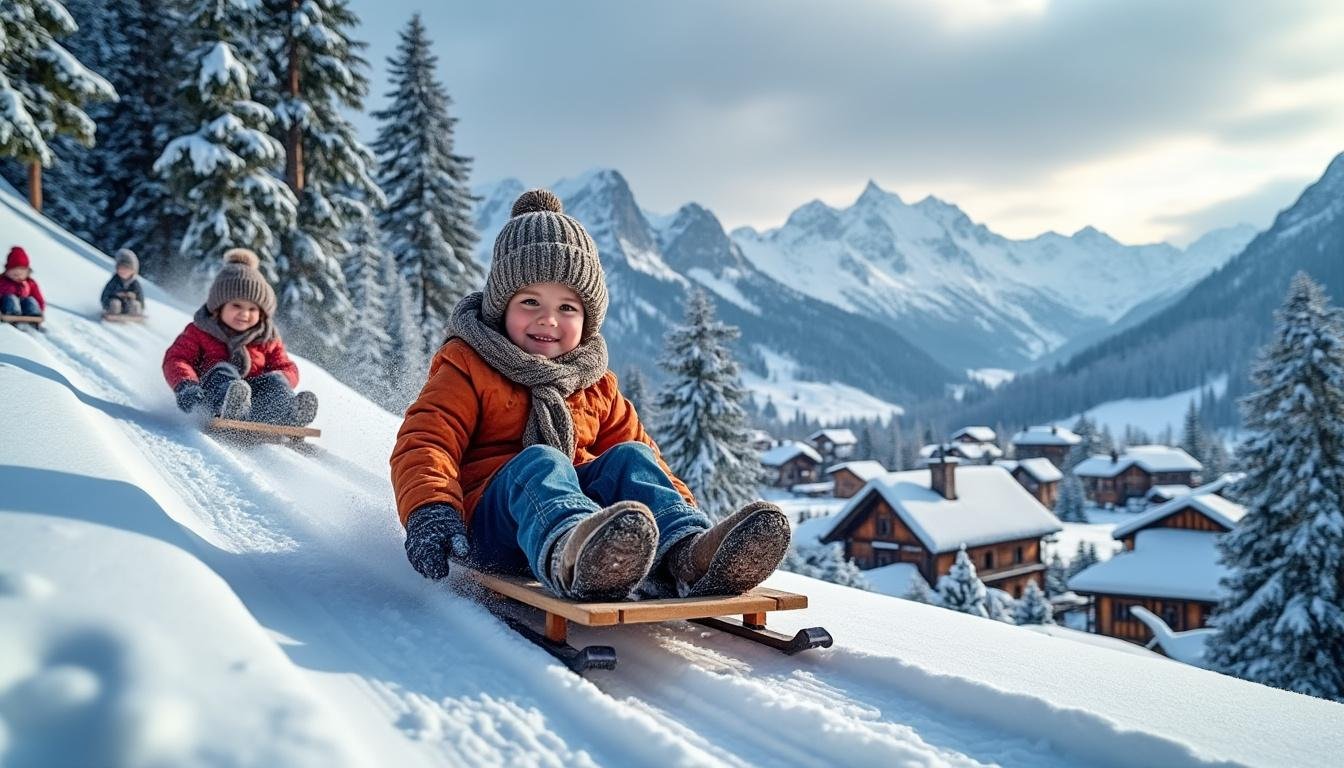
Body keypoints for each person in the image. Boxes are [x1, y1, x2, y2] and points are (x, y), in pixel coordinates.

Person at [391, 189, 789, 601]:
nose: (548, 319)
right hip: (491, 527)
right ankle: (575, 554)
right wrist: (431, 510)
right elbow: (426, 441)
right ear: (500, 306)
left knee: (630, 458)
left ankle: (685, 554)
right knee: (542, 463)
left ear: (588, 318)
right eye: (530, 301)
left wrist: (681, 510)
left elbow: (645, 461)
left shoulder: (594, 382)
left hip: (591, 526)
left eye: (568, 308)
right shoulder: (468, 364)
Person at [162, 248, 318, 426]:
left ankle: (290, 412)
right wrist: (186, 385)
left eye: (252, 309)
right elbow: (177, 359)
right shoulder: (200, 331)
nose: (245, 314)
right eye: (236, 306)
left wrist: (282, 378)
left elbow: (285, 366)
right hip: (211, 395)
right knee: (223, 370)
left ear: (262, 313)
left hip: (256, 400)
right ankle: (231, 407)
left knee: (275, 380)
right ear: (218, 307)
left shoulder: (267, 338)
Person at [0, 246, 45, 317]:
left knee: (30, 300)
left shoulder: (30, 283)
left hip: (24, 309)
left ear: (27, 272)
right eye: (14, 274)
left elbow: (38, 298)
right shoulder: (2, 281)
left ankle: (34, 313)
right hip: (6, 307)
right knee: (11, 298)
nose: (18, 277)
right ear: (7, 271)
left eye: (21, 274)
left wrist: (40, 308)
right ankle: (13, 312)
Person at [101, 249, 146, 316]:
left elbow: (140, 298)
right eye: (120, 269)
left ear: (132, 271)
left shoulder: (135, 284)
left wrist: (134, 298)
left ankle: (135, 315)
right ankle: (112, 313)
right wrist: (115, 295)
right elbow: (105, 295)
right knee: (115, 303)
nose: (122, 272)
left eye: (125, 270)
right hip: (115, 306)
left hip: (128, 306)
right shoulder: (114, 281)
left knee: (135, 305)